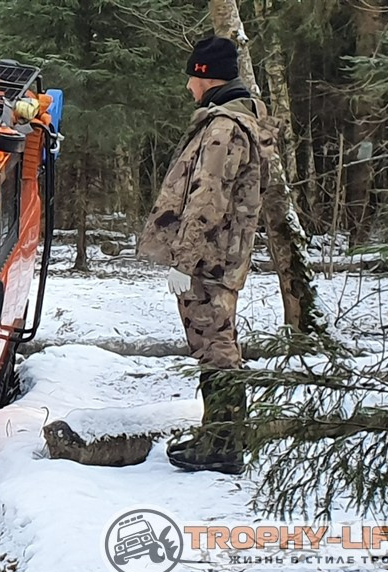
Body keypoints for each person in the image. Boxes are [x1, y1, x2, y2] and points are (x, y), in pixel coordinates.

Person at [136, 36, 271, 475]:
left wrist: (184, 260)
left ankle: (223, 444)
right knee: (216, 343)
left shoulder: (223, 128)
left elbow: (207, 199)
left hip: (209, 259)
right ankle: (220, 436)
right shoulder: (237, 119)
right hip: (219, 255)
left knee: (215, 347)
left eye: (191, 80)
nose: (188, 90)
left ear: (203, 76)